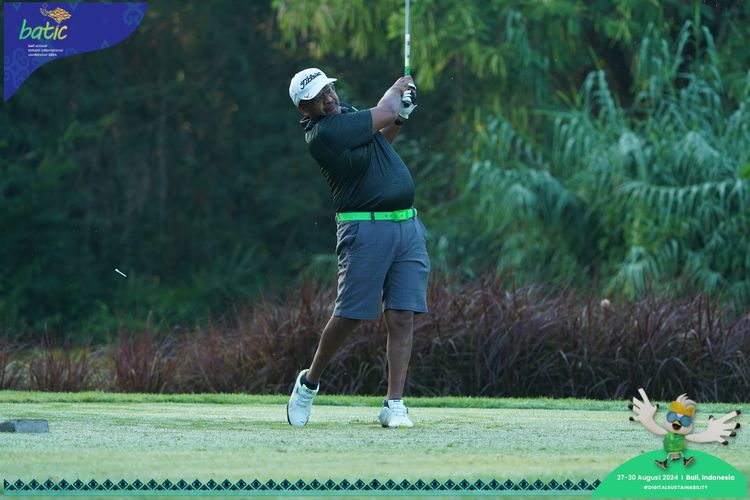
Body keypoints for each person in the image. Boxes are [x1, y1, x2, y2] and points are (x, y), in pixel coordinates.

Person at [286, 67, 430, 428]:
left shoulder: (347, 116)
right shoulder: (324, 133)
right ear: (305, 109)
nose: (328, 99)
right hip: (364, 228)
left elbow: (380, 140)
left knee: (403, 315)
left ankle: (394, 403)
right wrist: (397, 89)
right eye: (318, 98)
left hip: (406, 225)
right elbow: (384, 112)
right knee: (350, 315)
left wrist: (401, 117)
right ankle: (309, 383)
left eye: (329, 91)